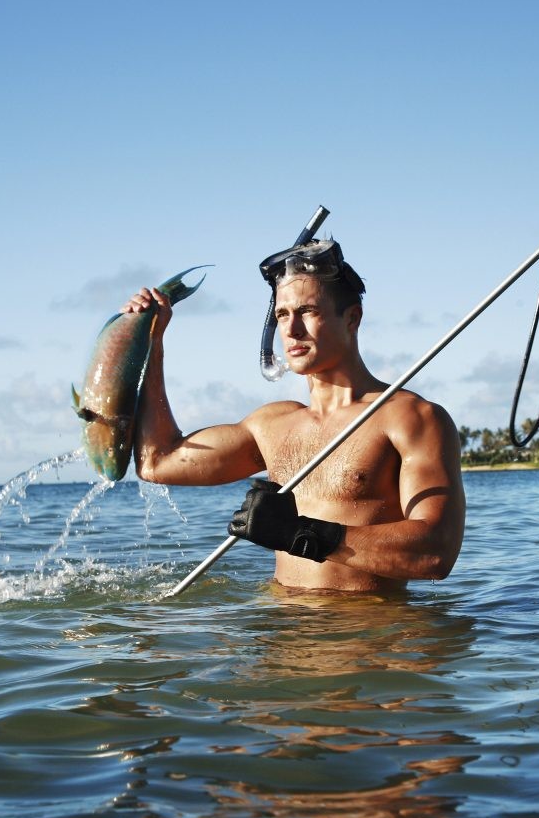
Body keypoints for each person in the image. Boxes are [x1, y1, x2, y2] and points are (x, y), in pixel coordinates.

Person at [126, 238, 465, 592]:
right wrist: (151, 342)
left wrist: (301, 535)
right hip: (282, 635)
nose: (291, 330)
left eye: (308, 311)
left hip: (367, 638)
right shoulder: (272, 425)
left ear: (352, 318)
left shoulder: (409, 418)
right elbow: (157, 462)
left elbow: (436, 553)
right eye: (282, 315)